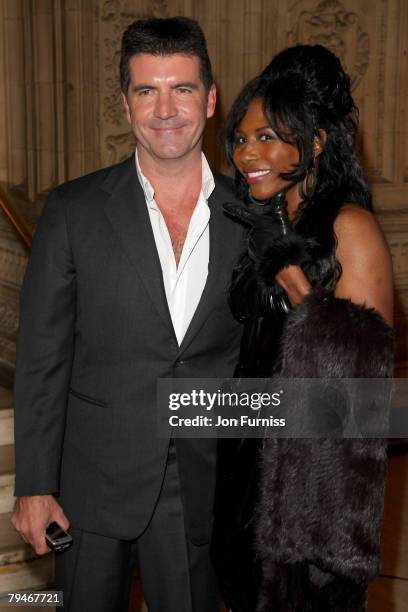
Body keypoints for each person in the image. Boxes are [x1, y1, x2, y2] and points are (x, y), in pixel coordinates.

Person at [11, 17, 245, 612]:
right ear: (126, 104)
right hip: (92, 484)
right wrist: (36, 484)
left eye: (183, 88)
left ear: (211, 99)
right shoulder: (72, 210)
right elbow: (42, 359)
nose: (165, 109)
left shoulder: (253, 219)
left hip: (202, 486)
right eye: (147, 90)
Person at [211, 45, 394, 611]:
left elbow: (363, 376)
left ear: (313, 143)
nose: (248, 153)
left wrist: (290, 276)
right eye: (240, 139)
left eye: (267, 137)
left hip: (310, 479)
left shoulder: (350, 225)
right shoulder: (262, 219)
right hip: (244, 451)